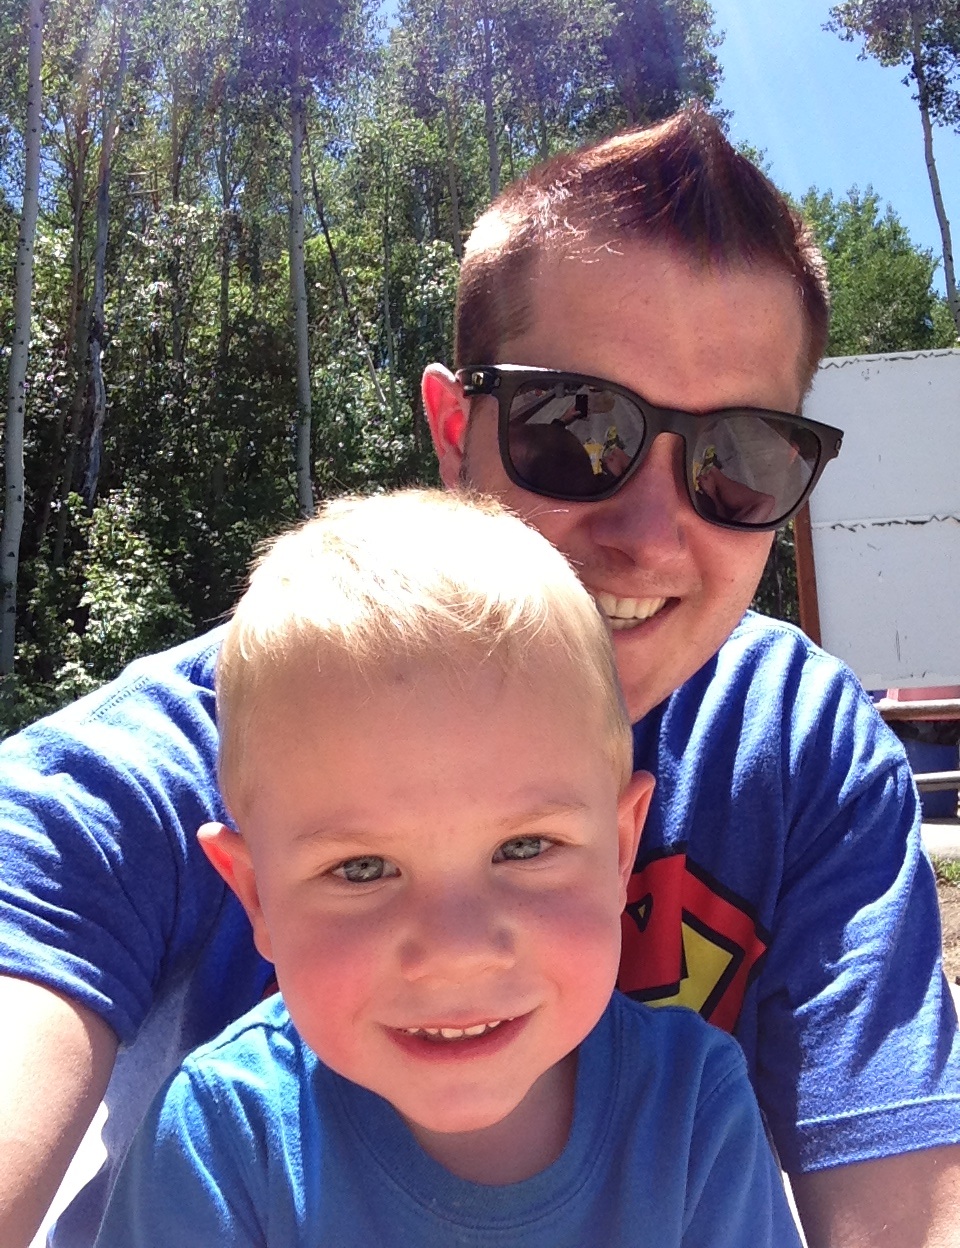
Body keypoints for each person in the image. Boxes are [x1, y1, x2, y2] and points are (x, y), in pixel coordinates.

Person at [0, 104, 957, 1248]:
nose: (651, 535)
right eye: (579, 425)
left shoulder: (793, 740)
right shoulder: (131, 778)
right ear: (455, 430)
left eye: (741, 456)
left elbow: (904, 1218)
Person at [91, 489, 801, 1246]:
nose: (456, 950)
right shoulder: (221, 1139)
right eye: (363, 868)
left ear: (619, 851)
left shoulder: (692, 1114)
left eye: (524, 848)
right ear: (256, 895)